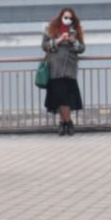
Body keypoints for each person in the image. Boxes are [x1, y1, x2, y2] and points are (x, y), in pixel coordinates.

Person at [41, 7, 85, 136]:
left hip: (69, 69)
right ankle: (67, 123)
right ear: (60, 17)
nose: (68, 20)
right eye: (66, 17)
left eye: (70, 18)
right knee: (59, 98)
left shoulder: (76, 31)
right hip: (55, 68)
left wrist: (73, 41)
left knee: (66, 98)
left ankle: (64, 123)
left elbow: (82, 48)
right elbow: (45, 46)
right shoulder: (50, 30)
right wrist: (59, 41)